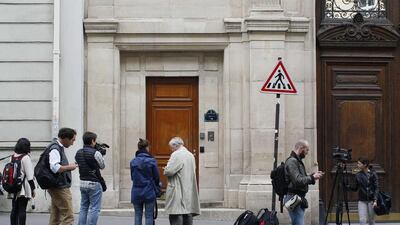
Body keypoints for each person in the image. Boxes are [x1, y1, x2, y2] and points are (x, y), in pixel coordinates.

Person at [284, 140, 324, 225]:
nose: (307, 153)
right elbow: (297, 181)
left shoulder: (297, 161)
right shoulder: (292, 161)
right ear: (301, 148)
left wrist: (313, 176)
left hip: (298, 198)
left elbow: (301, 178)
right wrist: (312, 177)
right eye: (307, 150)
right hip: (293, 197)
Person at [164, 137, 200, 225]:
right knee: (187, 213)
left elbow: (169, 171)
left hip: (177, 188)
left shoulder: (177, 154)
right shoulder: (190, 155)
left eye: (171, 148)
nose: (171, 150)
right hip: (188, 188)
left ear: (176, 145)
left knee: (176, 213)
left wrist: (165, 169)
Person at [48, 127, 78, 225]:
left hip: (56, 185)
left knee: (56, 215)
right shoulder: (55, 148)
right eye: (72, 140)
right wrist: (69, 167)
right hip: (60, 186)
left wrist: (68, 166)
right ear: (65, 138)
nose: (73, 143)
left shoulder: (56, 147)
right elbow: (55, 168)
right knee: (68, 216)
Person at [75, 132, 106, 225]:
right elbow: (102, 166)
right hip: (94, 183)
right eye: (95, 141)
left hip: (83, 183)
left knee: (83, 207)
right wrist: (101, 155)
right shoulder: (96, 153)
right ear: (92, 141)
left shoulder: (78, 152)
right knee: (94, 208)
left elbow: (78, 162)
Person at [130, 138, 160, 225]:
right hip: (149, 191)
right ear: (147, 147)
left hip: (136, 191)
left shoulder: (133, 162)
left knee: (137, 215)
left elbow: (132, 177)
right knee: (149, 215)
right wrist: (157, 186)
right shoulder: (151, 161)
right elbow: (156, 177)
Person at [9, 138, 35, 225]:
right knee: (22, 209)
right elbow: (30, 176)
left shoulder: (12, 157)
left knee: (14, 209)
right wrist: (33, 189)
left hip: (14, 186)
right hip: (23, 188)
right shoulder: (26, 157)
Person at [348, 157, 379, 225]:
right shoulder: (358, 175)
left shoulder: (373, 174)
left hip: (371, 201)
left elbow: (376, 188)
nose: (357, 165)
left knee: (371, 220)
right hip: (362, 200)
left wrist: (375, 200)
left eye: (359, 164)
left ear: (364, 164)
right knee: (362, 220)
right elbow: (355, 188)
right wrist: (348, 187)